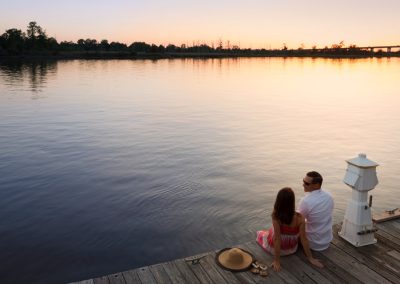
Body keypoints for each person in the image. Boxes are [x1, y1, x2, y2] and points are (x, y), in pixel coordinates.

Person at [257, 187, 323, 271]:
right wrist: (310, 258)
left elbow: (277, 239)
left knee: (261, 233)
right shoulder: (300, 218)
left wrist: (277, 260)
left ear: (278, 201)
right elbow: (304, 239)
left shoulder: (276, 215)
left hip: (276, 249)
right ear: (292, 202)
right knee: (296, 233)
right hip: (291, 249)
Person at [298, 171, 334, 251]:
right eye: (303, 181)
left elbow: (298, 221)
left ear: (316, 185)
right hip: (327, 241)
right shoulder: (329, 196)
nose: (303, 184)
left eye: (306, 183)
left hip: (312, 243)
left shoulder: (306, 201)